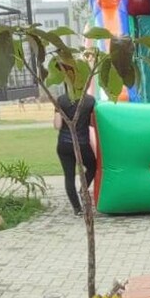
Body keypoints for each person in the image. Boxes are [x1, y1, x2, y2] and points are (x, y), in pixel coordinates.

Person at [54, 88, 96, 217]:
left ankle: (77, 208)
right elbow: (93, 123)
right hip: (82, 144)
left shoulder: (61, 100)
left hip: (64, 145)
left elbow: (57, 125)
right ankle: (83, 190)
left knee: (69, 176)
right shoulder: (90, 101)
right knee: (93, 166)